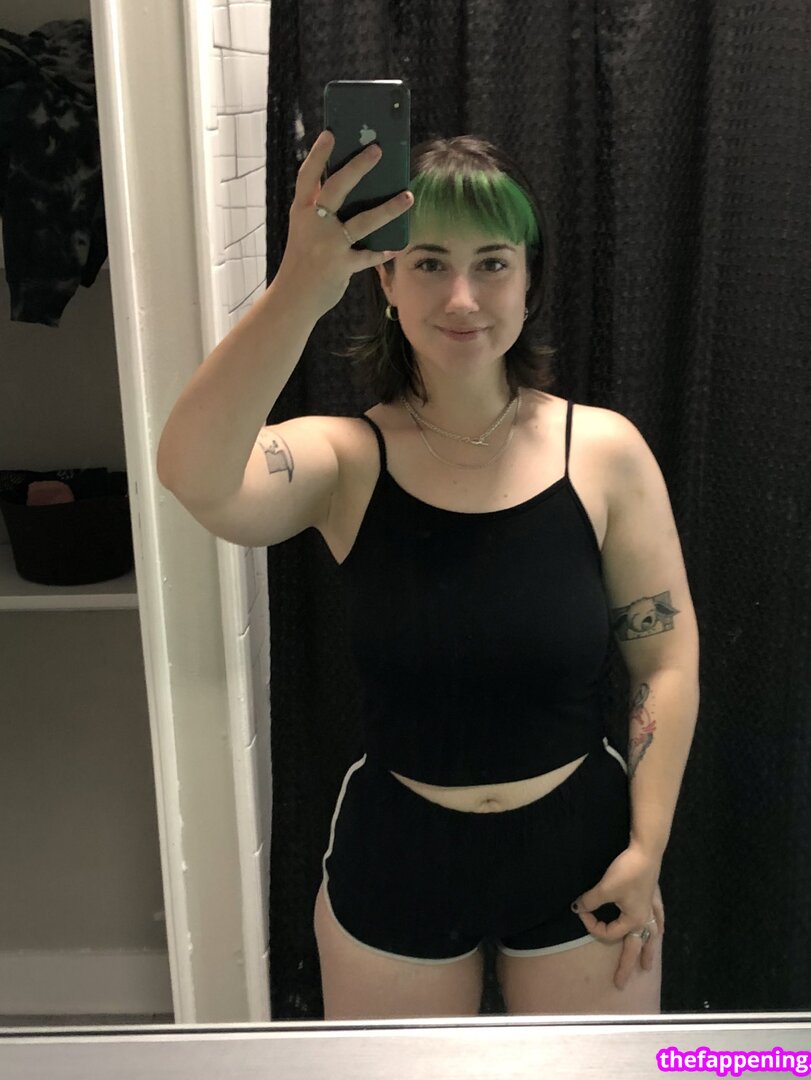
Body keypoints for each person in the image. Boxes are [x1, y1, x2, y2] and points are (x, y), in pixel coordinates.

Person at [157, 128, 700, 1021]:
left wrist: (647, 848)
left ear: (527, 279)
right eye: (427, 264)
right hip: (397, 854)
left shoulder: (603, 451)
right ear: (384, 280)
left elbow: (665, 662)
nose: (461, 297)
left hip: (585, 850)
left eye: (491, 264)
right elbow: (193, 474)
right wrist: (299, 287)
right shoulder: (344, 459)